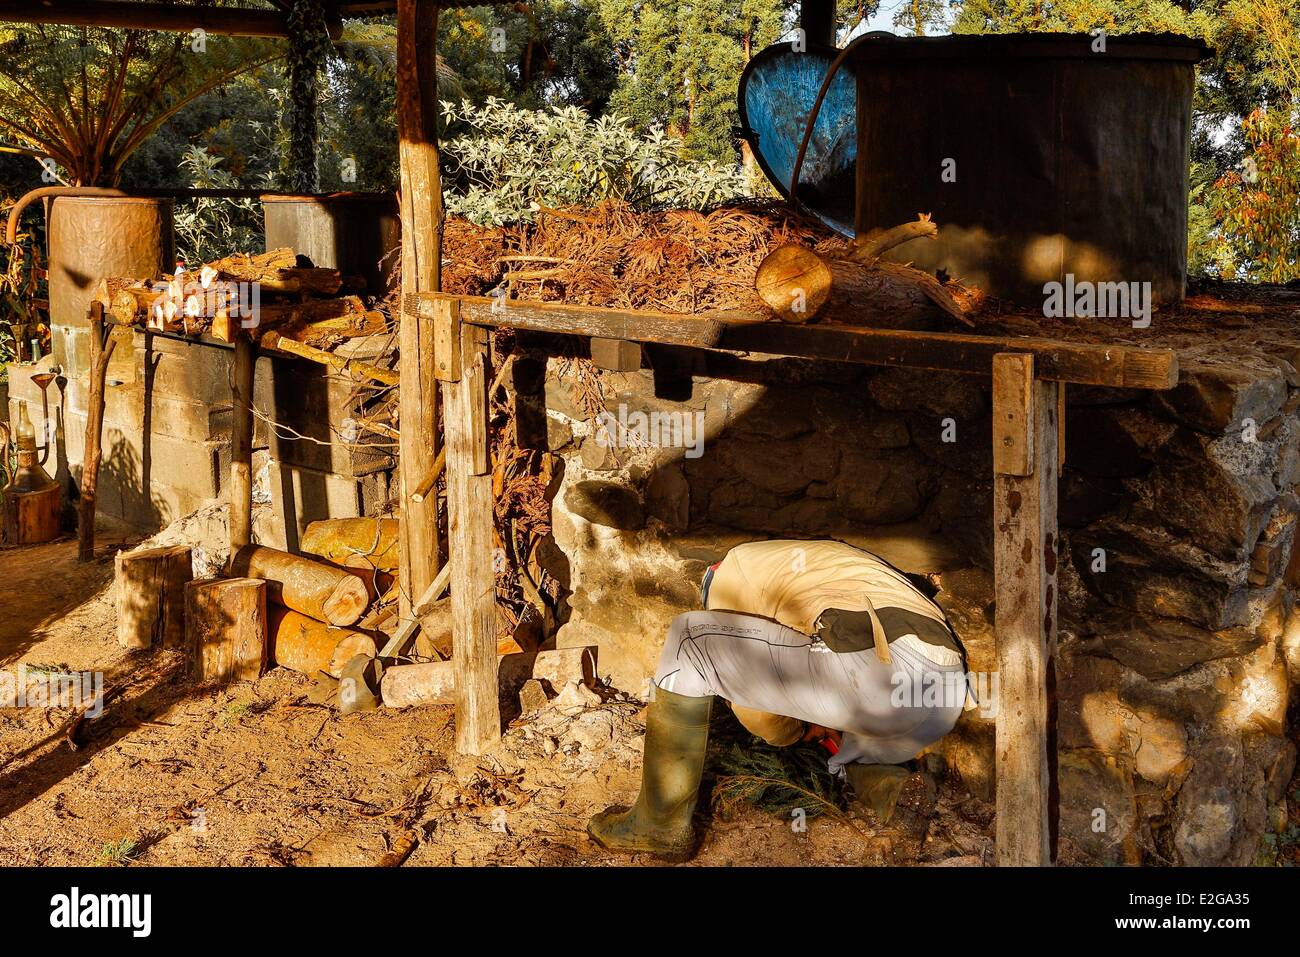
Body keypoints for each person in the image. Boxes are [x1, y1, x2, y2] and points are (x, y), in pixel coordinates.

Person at [587, 538, 973, 860]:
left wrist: (798, 729)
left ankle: (659, 824)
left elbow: (761, 715)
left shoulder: (733, 573)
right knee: (846, 741)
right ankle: (894, 793)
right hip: (939, 698)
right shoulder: (813, 563)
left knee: (689, 641)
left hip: (882, 673)